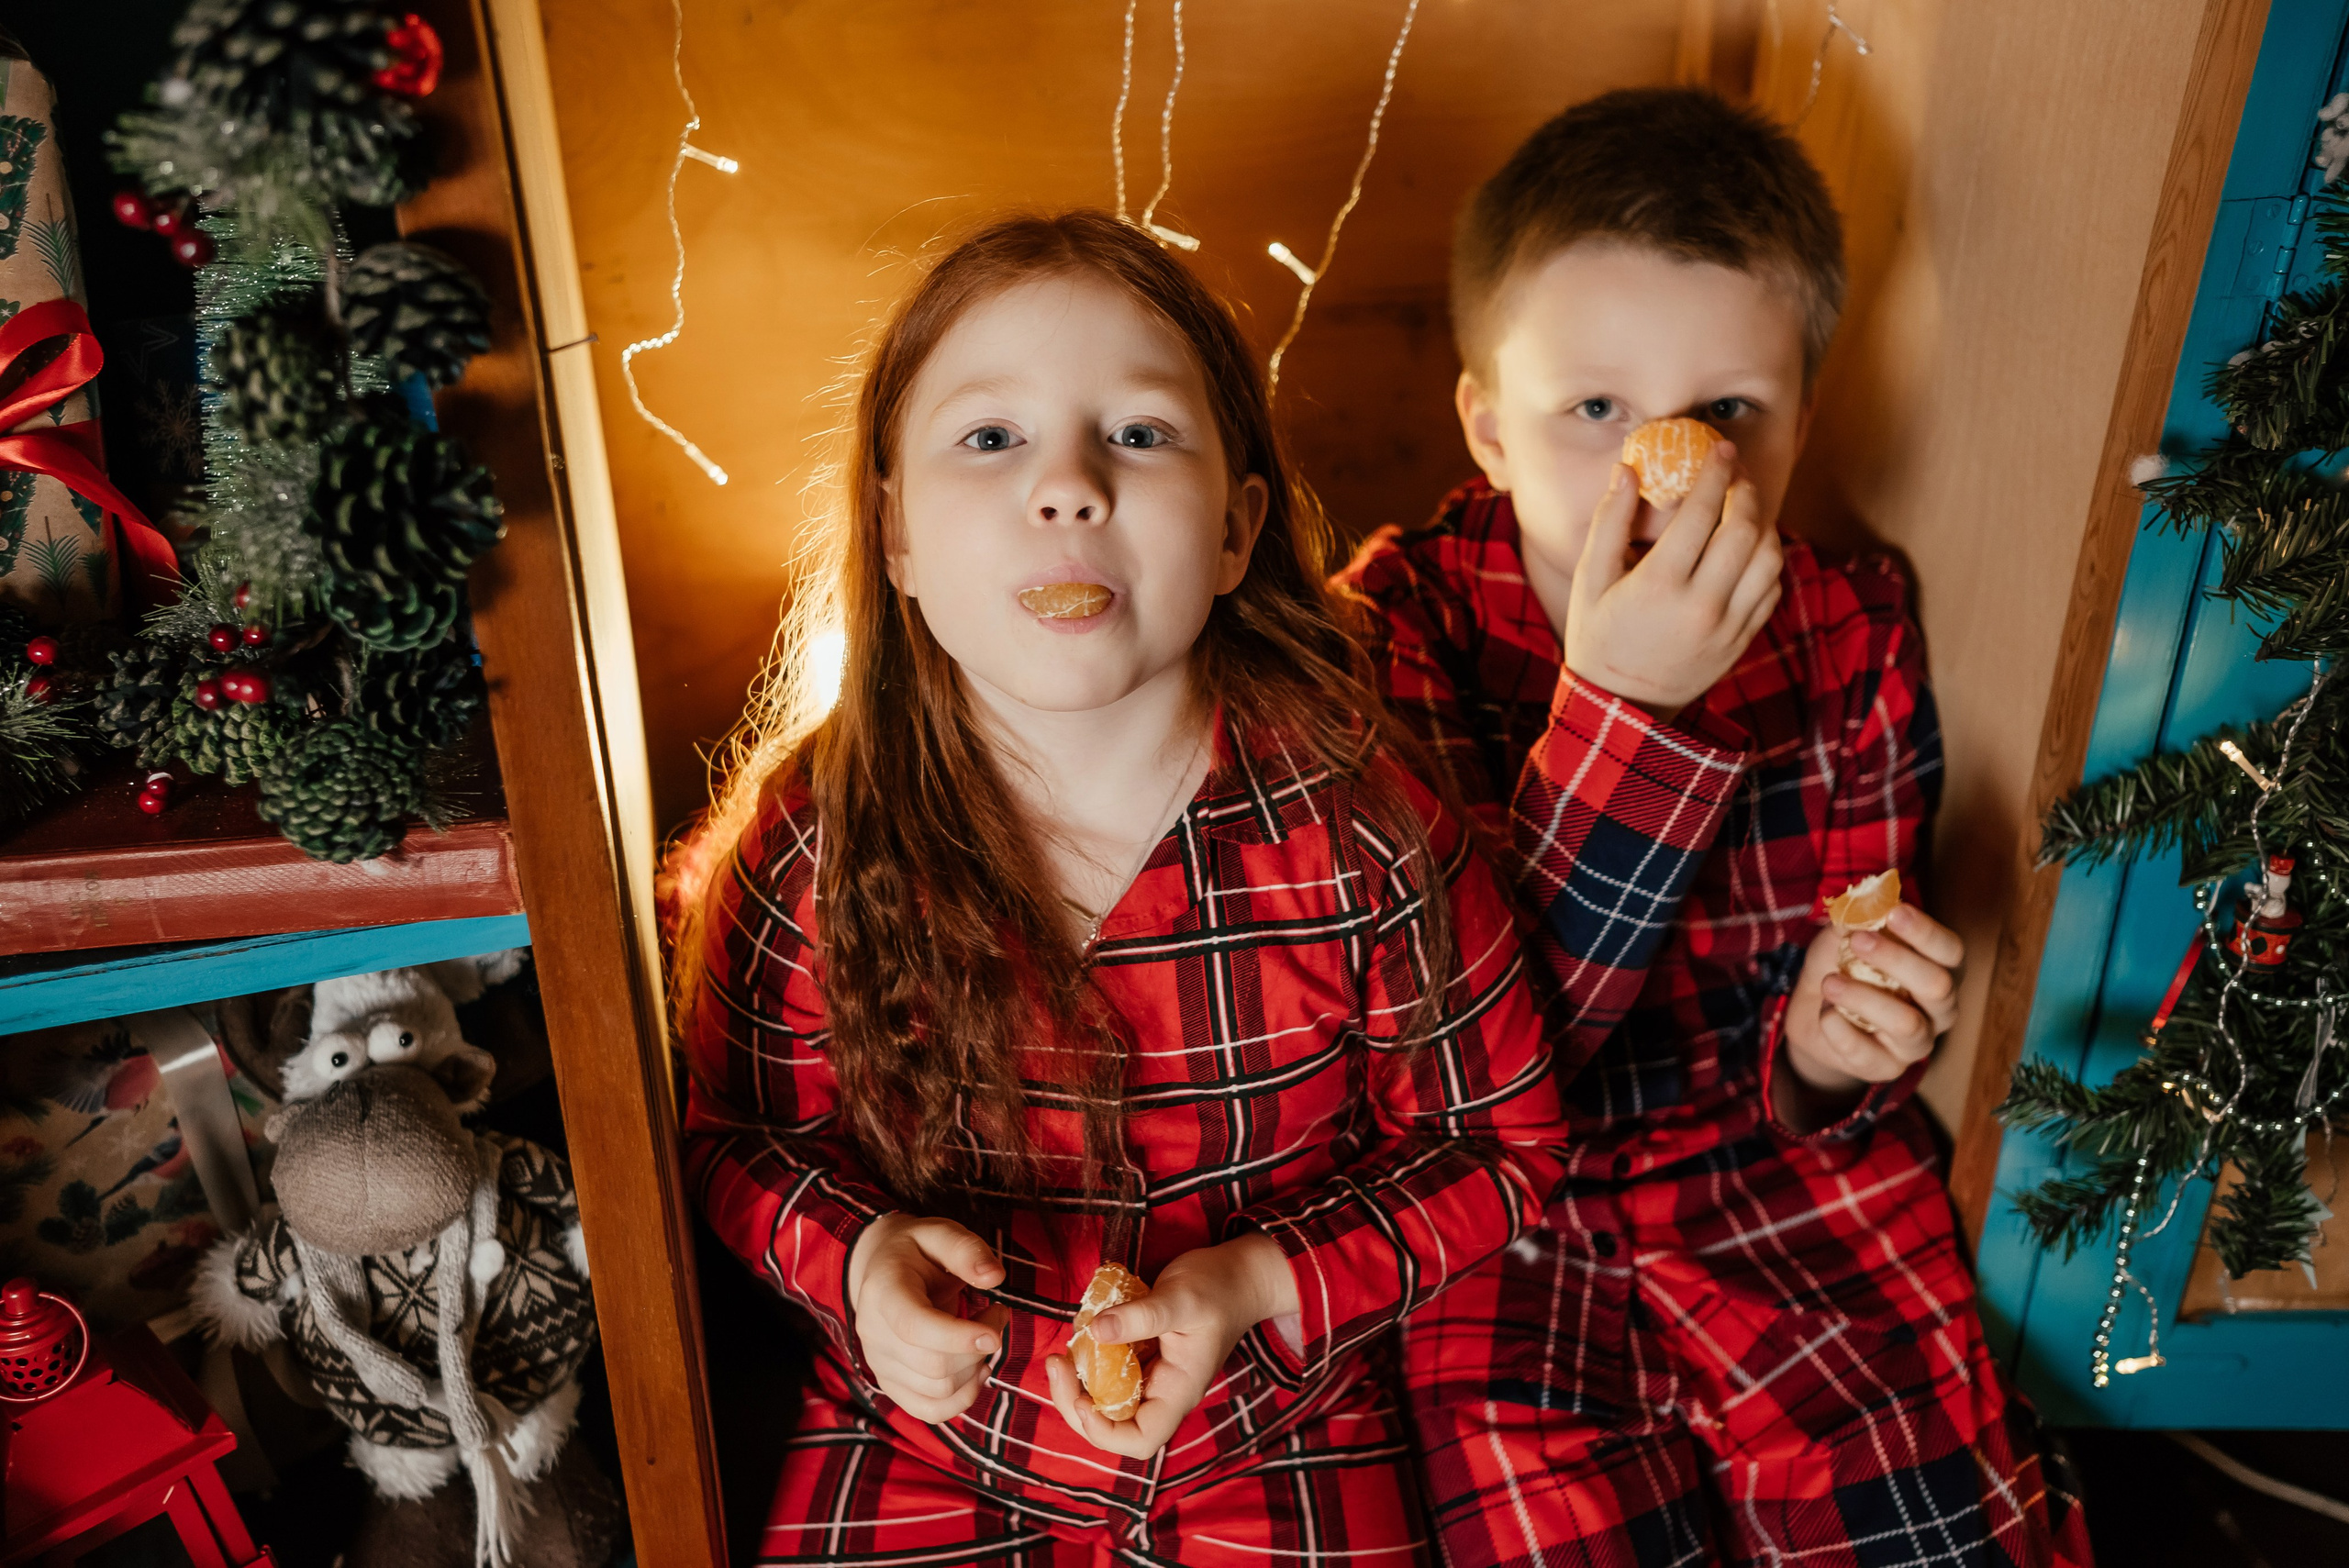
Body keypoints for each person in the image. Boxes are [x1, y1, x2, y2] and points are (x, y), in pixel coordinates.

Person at [673, 209, 1566, 1568]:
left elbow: (1502, 1147)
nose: (1070, 485)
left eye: (1139, 435)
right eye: (991, 439)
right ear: (896, 536)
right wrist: (858, 1264)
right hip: (925, 1443)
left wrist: (1261, 1280)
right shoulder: (819, 835)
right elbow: (730, 1138)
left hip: (1276, 1431)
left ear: (1234, 528)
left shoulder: (1364, 823)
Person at [1335, 88, 2093, 1567]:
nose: (1655, 464)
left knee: (1938, 1524)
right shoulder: (1388, 638)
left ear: (1802, 423)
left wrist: (1826, 1049)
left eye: (1725, 414)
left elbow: (1849, 1030)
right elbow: (1467, 1057)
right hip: (1502, 1222)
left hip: (1774, 1185)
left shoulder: (1849, 633)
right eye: (1594, 408)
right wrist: (1622, 707)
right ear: (1490, 427)